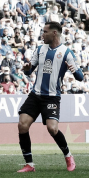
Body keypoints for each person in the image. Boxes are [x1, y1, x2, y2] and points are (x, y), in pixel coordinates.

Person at [17, 22, 83, 173]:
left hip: (52, 97)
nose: (42, 34)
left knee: (52, 129)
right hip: (35, 95)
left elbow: (79, 77)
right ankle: (29, 164)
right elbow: (29, 70)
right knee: (22, 125)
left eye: (45, 32)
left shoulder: (67, 53)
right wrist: (27, 69)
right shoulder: (40, 49)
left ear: (54, 33)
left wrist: (74, 70)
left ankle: (68, 156)